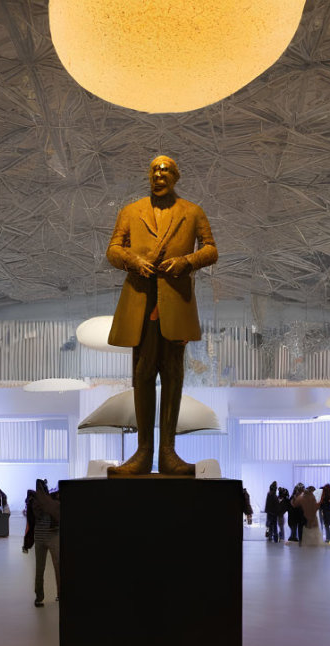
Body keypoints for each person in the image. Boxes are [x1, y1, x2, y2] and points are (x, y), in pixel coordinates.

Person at [106, 155, 218, 477]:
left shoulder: (192, 211)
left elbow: (211, 249)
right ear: (148, 176)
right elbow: (113, 249)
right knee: (142, 374)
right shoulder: (130, 211)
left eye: (166, 170)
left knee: (172, 376)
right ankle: (143, 453)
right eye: (155, 170)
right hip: (140, 303)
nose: (159, 174)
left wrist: (187, 262)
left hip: (176, 305)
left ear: (176, 176)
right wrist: (132, 260)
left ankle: (168, 453)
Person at [31, 478, 60, 607]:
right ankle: (40, 596)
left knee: (43, 568)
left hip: (44, 536)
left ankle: (39, 597)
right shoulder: (47, 500)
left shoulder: (38, 500)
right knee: (52, 567)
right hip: (50, 536)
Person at [22, 487, 36, 553]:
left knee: (28, 530)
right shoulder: (32, 500)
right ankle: (26, 545)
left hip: (29, 518)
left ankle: (26, 545)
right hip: (32, 519)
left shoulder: (28, 501)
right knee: (30, 530)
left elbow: (26, 510)